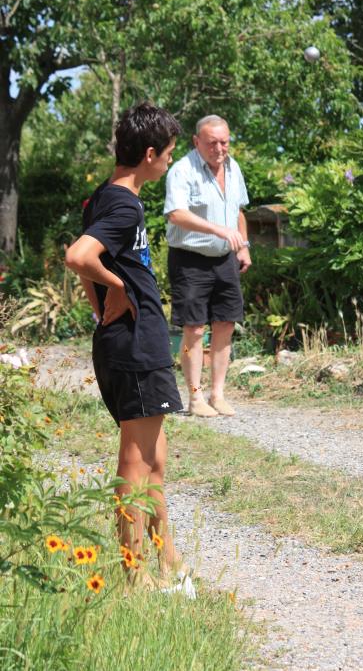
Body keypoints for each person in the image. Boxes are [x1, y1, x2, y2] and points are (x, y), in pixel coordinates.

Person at [65, 102, 194, 595]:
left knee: (155, 459)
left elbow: (79, 259)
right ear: (148, 154)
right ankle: (133, 577)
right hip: (135, 345)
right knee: (135, 463)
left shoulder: (102, 197)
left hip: (130, 341)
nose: (168, 163)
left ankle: (170, 563)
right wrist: (115, 289)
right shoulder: (123, 203)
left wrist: (101, 300)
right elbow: (79, 256)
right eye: (166, 155)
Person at [164, 115, 251, 418]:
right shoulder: (182, 170)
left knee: (226, 323)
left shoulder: (233, 167)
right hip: (190, 259)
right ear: (196, 141)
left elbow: (238, 210)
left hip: (225, 257)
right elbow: (176, 214)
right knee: (194, 330)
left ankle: (218, 393)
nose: (219, 148)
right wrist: (218, 230)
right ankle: (194, 396)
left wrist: (244, 246)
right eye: (212, 142)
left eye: (224, 142)